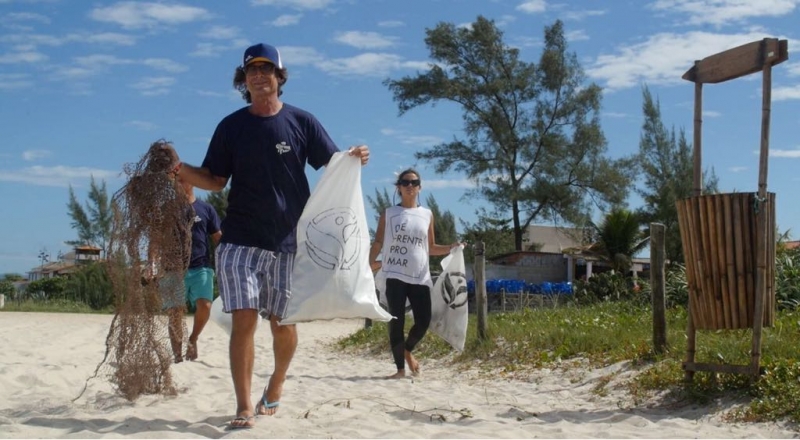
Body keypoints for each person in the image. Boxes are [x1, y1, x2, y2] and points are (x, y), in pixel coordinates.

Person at [176, 42, 370, 429]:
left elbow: (332, 166)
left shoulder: (301, 122)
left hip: (287, 241)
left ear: (280, 78)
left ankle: (277, 382)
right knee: (244, 318)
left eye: (267, 70)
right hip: (239, 238)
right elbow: (214, 180)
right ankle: (244, 406)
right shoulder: (231, 126)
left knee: (282, 323)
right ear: (243, 80)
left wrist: (355, 157)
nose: (259, 76)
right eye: (252, 70)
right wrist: (178, 169)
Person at [368, 168, 461, 379]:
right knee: (396, 321)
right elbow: (379, 241)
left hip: (419, 275)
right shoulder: (389, 213)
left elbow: (431, 246)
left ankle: (407, 350)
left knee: (423, 320)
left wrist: (452, 247)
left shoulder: (427, 214)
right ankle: (400, 369)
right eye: (405, 182)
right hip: (394, 274)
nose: (410, 186)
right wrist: (370, 262)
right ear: (399, 187)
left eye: (414, 182)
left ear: (420, 187)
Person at [166, 178, 222, 363]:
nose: (180, 183)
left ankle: (193, 338)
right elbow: (156, 238)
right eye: (177, 181)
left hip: (202, 267)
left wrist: (227, 257)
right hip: (173, 269)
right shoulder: (168, 209)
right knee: (175, 312)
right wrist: (151, 262)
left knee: (205, 306)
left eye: (184, 180)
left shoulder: (206, 209)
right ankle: (177, 356)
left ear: (193, 183)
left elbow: (217, 237)